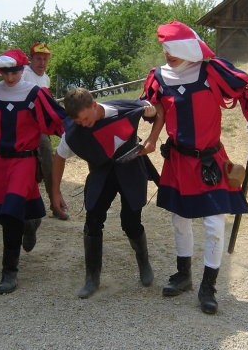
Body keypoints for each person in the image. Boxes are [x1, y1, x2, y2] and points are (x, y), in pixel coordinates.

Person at [140, 20, 248, 315]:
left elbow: (244, 97)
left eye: (174, 48)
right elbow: (155, 109)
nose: (168, 54)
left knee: (214, 224)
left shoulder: (210, 72)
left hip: (209, 160)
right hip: (179, 159)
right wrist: (147, 122)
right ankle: (184, 275)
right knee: (179, 220)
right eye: (165, 48)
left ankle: (208, 287)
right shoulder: (158, 77)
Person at [0, 49, 66, 294]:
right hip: (1, 161)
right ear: (0, 71)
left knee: (10, 215)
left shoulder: (34, 93)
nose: (10, 77)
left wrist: (80, 132)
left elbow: (57, 120)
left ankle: (9, 271)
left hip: (24, 161)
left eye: (15, 71)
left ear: (21, 69)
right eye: (6, 72)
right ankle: (32, 221)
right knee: (0, 213)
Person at [50, 87, 164, 299]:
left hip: (131, 169)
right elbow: (58, 157)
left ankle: (143, 262)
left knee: (130, 222)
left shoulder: (126, 109)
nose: (83, 124)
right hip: (102, 174)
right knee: (92, 221)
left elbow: (158, 111)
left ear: (94, 105)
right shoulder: (74, 132)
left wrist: (152, 139)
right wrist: (55, 192)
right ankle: (92, 278)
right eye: (78, 121)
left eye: (85, 118)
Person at [22, 42, 69, 222]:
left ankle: (54, 202)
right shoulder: (24, 75)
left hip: (40, 125)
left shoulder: (45, 79)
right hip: (25, 125)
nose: (42, 63)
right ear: (31, 59)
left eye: (45, 59)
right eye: (38, 59)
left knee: (47, 159)